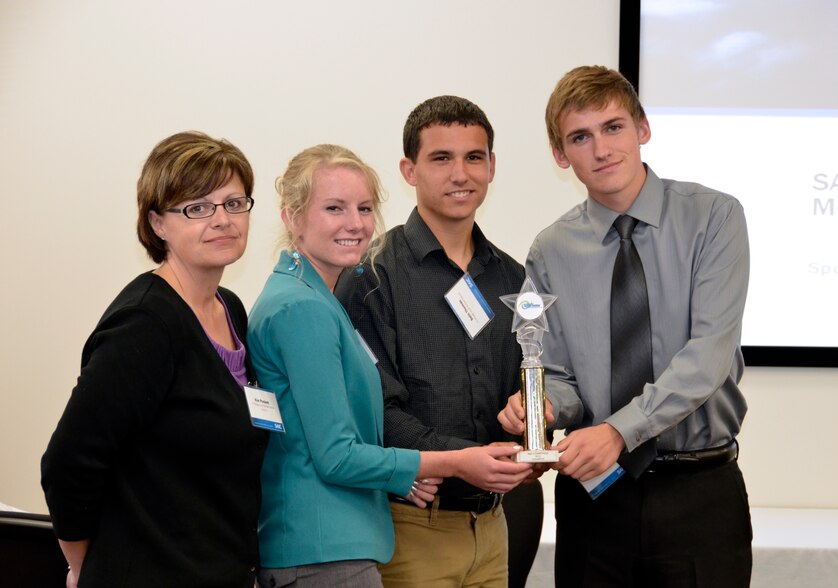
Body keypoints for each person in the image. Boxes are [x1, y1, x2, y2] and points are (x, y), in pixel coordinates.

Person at [499, 65, 753, 587]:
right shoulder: (550, 249)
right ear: (560, 155)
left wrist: (619, 431)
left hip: (697, 492)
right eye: (580, 137)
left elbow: (708, 356)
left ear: (642, 128)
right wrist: (544, 406)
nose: (601, 149)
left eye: (613, 127)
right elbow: (557, 373)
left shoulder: (714, 218)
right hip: (594, 498)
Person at [248, 144, 528, 588]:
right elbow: (337, 455)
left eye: (364, 208)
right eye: (334, 208)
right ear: (292, 217)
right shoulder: (303, 307)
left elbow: (345, 432)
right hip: (322, 544)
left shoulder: (317, 296)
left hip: (340, 537)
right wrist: (450, 463)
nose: (356, 223)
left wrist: (403, 476)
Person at [41, 131, 268, 588]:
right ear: (158, 223)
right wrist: (84, 566)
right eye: (198, 207)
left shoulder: (229, 308)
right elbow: (68, 463)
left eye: (233, 203)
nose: (222, 220)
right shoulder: (146, 323)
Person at [335, 96, 541, 588]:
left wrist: (529, 420)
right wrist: (463, 461)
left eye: (474, 157)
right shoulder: (370, 276)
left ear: (492, 167)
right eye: (441, 158)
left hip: (493, 528)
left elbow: (522, 387)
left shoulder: (512, 278)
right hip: (409, 527)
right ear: (409, 170)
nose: (460, 174)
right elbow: (373, 412)